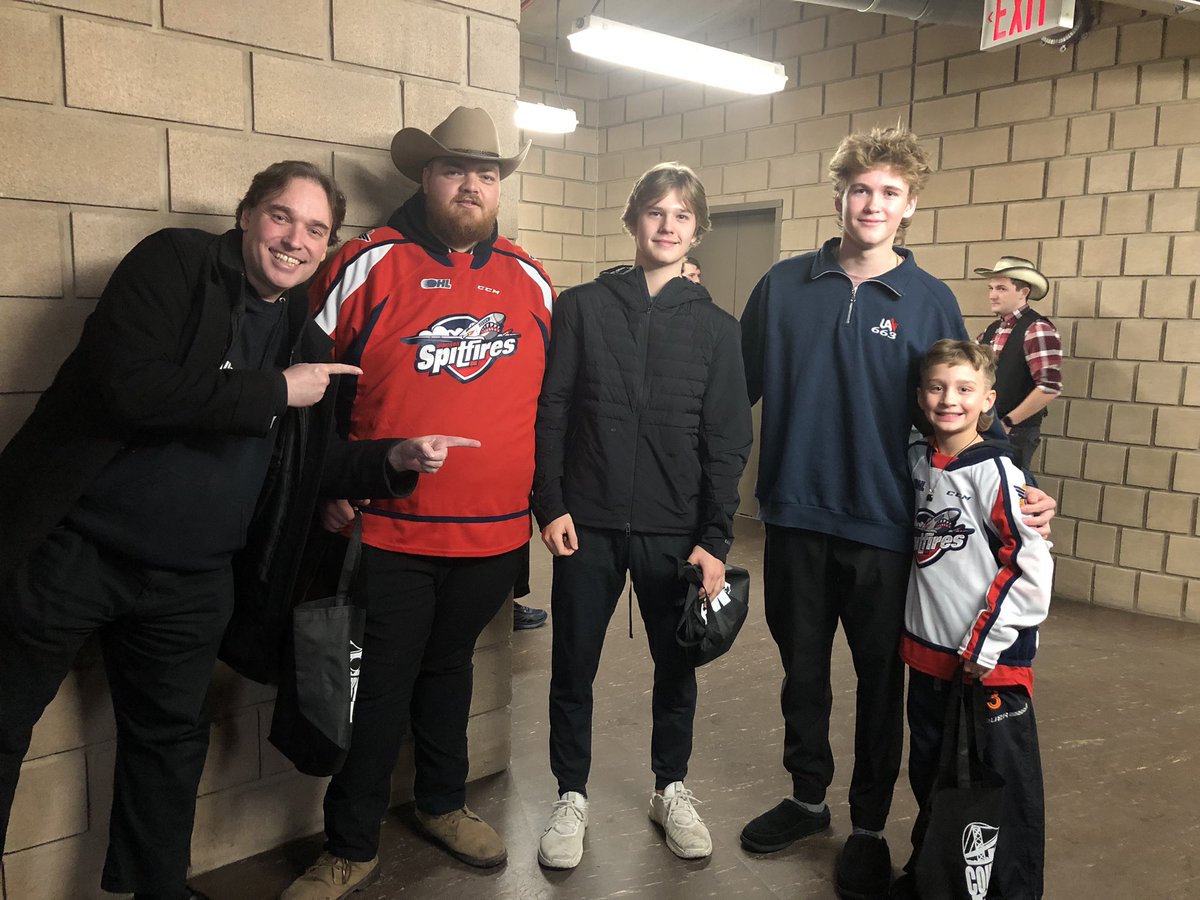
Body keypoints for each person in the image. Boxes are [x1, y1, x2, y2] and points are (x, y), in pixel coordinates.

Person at [0, 161, 445, 900]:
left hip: (191, 579)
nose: (294, 240)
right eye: (280, 216)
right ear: (246, 216)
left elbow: (311, 459)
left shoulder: (302, 330)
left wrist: (390, 461)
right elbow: (128, 383)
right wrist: (275, 390)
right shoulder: (173, 263)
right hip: (75, 549)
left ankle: (157, 889)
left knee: (169, 745)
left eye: (314, 230)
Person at [738, 126, 1056, 900]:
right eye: (860, 188)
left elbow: (957, 409)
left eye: (889, 192)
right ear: (839, 196)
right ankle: (809, 797)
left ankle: (871, 826)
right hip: (794, 516)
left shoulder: (930, 299)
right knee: (802, 673)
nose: (872, 203)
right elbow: (727, 399)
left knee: (881, 687)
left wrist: (1011, 480)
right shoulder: (781, 285)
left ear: (909, 206)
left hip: (887, 526)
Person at [284, 107, 554, 899]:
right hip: (391, 532)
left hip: (496, 535)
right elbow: (308, 392)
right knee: (381, 688)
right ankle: (351, 841)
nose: (471, 185)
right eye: (453, 170)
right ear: (425, 178)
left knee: (451, 673)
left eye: (487, 173)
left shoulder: (531, 278)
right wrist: (330, 483)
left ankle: (441, 801)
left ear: (499, 187)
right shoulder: (366, 263)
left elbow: (554, 403)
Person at [532, 162, 752, 869]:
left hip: (674, 532)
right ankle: (571, 794)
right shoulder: (582, 308)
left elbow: (727, 441)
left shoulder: (720, 331)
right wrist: (551, 501)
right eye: (654, 212)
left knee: (676, 666)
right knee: (572, 666)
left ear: (698, 230)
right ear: (632, 223)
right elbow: (553, 411)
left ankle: (671, 786)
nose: (667, 225)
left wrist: (715, 538)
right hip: (586, 524)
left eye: (682, 215)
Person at [892, 339, 1051, 900]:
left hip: (988, 668)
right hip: (931, 661)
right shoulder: (920, 461)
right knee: (935, 777)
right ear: (919, 396)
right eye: (936, 387)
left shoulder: (999, 473)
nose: (948, 400)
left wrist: (986, 645)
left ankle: (1002, 891)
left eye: (964, 389)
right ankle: (936, 879)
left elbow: (1030, 567)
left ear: (989, 399)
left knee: (996, 793)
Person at [973, 257, 1061, 471]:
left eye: (1002, 288)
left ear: (1024, 292)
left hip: (1015, 432)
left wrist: (1008, 423)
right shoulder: (990, 330)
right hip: (984, 427)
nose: (993, 295)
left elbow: (1049, 388)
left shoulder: (1037, 329)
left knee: (1011, 494)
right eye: (991, 288)